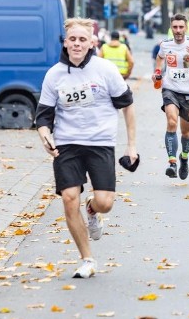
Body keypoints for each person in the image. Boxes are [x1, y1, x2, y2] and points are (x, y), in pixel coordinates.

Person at [36, 18, 137, 279]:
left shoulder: (105, 70)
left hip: (100, 143)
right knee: (70, 199)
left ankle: (92, 210)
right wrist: (45, 135)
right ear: (65, 42)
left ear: (92, 42)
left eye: (83, 39)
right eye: (73, 39)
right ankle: (87, 258)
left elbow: (127, 105)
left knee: (105, 203)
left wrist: (131, 146)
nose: (77, 44)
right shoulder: (54, 74)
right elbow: (44, 116)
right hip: (67, 144)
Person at [152, 14, 189, 180]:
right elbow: (159, 58)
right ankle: (172, 163)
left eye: (181, 27)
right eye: (175, 27)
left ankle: (183, 158)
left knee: (186, 132)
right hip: (170, 89)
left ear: (186, 28)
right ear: (171, 28)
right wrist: (157, 72)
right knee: (171, 122)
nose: (178, 31)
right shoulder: (165, 44)